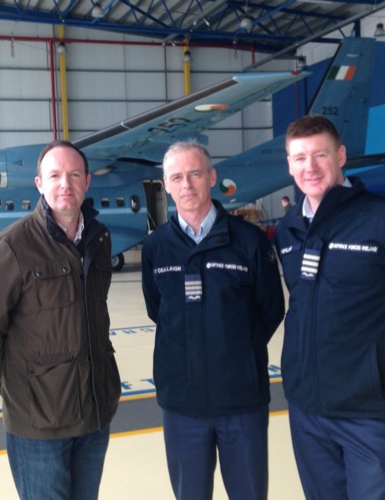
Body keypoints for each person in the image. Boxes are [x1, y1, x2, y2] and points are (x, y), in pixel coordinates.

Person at [275, 115, 385, 499]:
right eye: (300, 157)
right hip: (307, 408)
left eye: (320, 154)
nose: (310, 167)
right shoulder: (290, 228)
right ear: (289, 164)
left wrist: (382, 364)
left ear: (341, 156)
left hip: (369, 414)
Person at [0, 140, 121, 500]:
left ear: (87, 182)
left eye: (73, 175)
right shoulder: (12, 246)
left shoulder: (99, 239)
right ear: (39, 183)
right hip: (38, 425)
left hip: (94, 415)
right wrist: (21, 392)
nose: (64, 184)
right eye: (54, 175)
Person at [141, 141, 285, 500]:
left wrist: (236, 351)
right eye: (177, 177)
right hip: (181, 405)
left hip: (242, 403)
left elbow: (270, 308)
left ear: (212, 178)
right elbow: (157, 308)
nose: (186, 184)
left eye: (195, 174)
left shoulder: (249, 241)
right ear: (166, 184)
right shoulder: (156, 247)